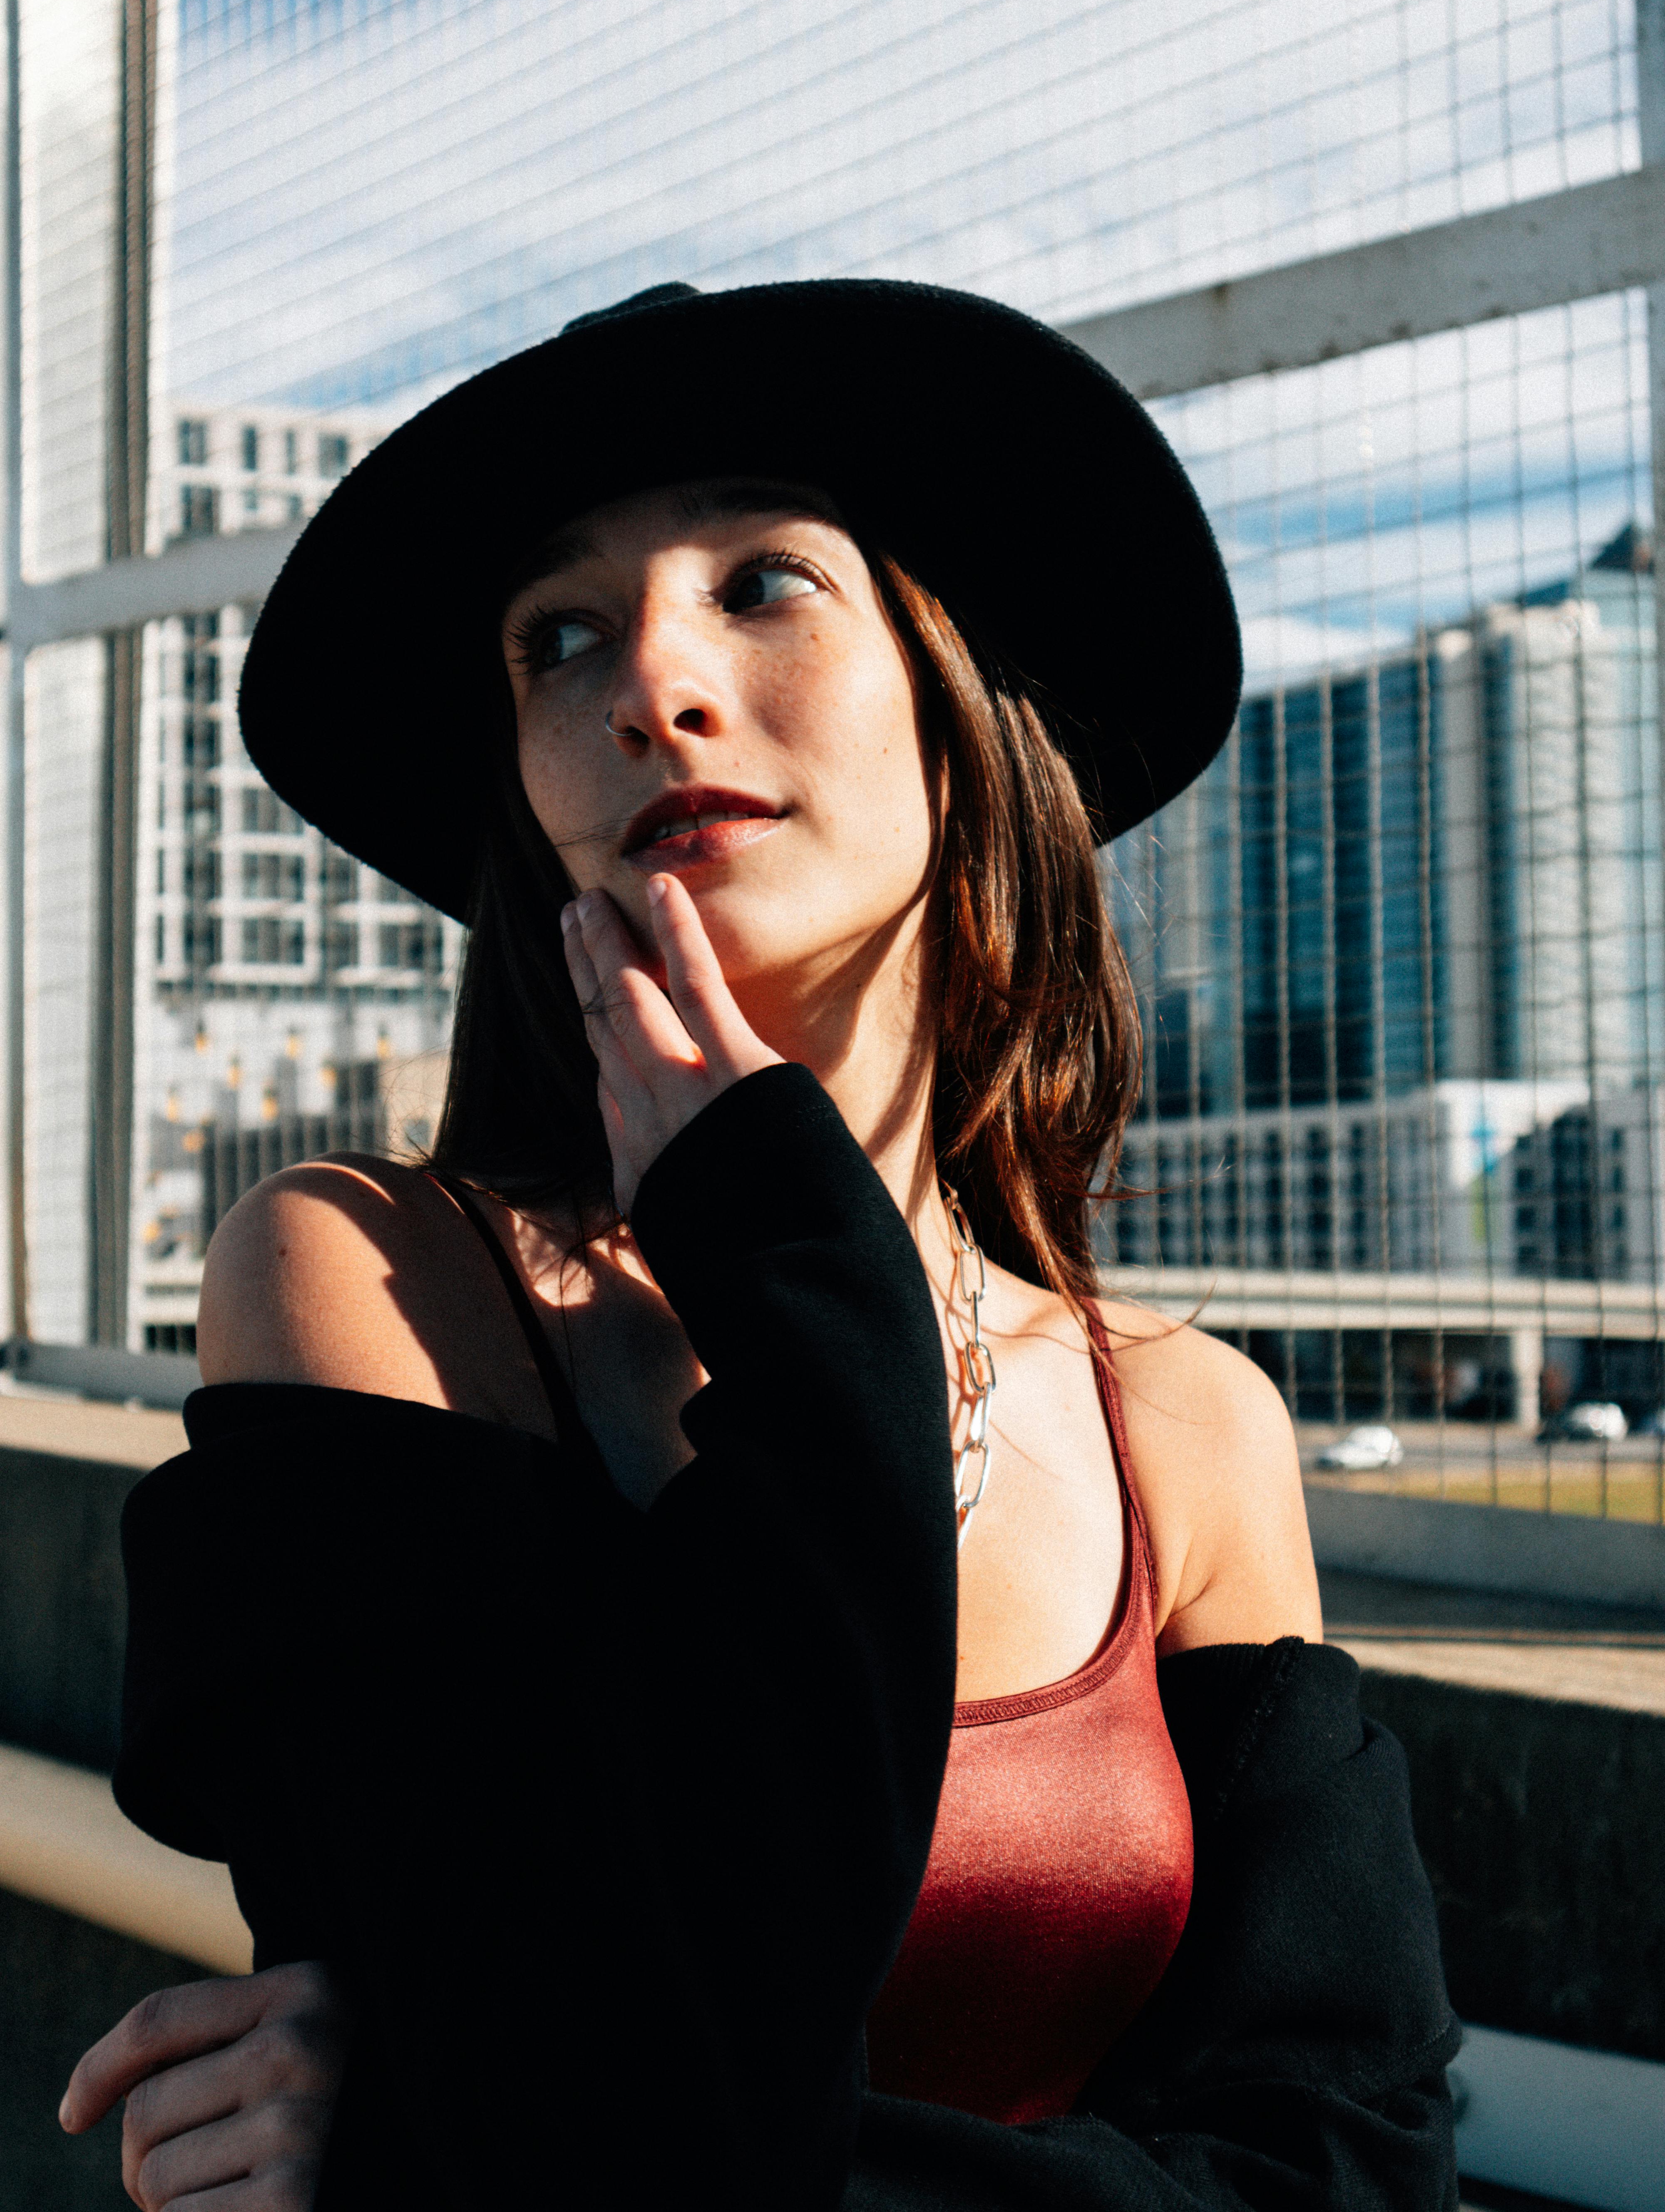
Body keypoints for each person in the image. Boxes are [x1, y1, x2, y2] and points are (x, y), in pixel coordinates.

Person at [60, 281, 1458, 2212]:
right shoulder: (376, 1288)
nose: (653, 683)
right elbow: (618, 2099)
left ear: (956, 702)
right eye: (559, 636)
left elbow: (1357, 2160)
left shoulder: (1187, 1427)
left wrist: (412, 2132)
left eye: (765, 582)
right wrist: (799, 1264)